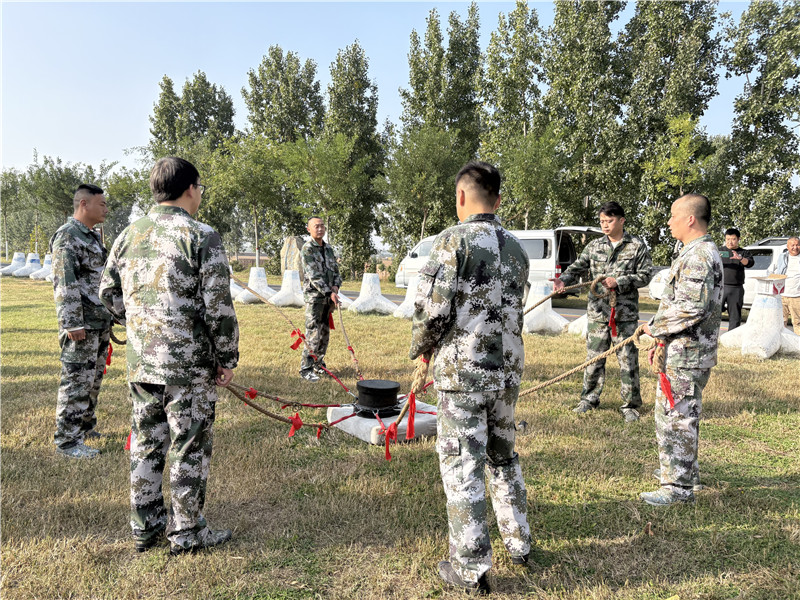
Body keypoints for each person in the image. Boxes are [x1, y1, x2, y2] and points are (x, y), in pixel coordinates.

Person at [99, 157, 239, 555]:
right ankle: (186, 532)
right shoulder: (201, 235)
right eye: (200, 189)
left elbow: (107, 292)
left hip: (142, 363)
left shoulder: (129, 234)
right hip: (188, 366)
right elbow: (218, 307)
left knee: (146, 441)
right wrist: (227, 357)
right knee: (188, 444)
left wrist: (143, 325)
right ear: (190, 189)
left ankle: (146, 528)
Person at [410, 161, 531, 595]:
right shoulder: (518, 248)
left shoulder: (450, 242)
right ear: (497, 200)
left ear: (461, 196)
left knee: (463, 464)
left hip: (464, 374)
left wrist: (420, 350)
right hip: (507, 372)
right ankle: (519, 542)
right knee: (503, 456)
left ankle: (470, 565)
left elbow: (432, 312)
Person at [641, 193, 723, 506]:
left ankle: (677, 487)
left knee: (676, 416)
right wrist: (662, 338)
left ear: (690, 219)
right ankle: (683, 470)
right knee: (682, 414)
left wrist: (655, 328)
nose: (669, 221)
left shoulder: (699, 256)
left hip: (688, 354)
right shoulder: (694, 252)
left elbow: (691, 307)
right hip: (684, 350)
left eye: (674, 216)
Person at [552, 202, 653, 422]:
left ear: (622, 220)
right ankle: (588, 400)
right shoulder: (594, 246)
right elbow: (577, 267)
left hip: (624, 315)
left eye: (609, 221)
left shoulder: (636, 246)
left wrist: (620, 281)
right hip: (598, 312)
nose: (605, 225)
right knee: (594, 358)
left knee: (627, 359)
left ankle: (631, 405)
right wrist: (562, 280)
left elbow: (646, 275)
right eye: (602, 221)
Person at [50, 184, 113, 459]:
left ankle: (85, 427)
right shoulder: (68, 236)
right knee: (77, 381)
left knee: (93, 379)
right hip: (82, 325)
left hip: (99, 321)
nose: (106, 208)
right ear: (84, 204)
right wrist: (72, 322)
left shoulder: (92, 236)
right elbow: (65, 282)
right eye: (102, 204)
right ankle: (67, 441)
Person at [299, 216, 342, 382]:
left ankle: (319, 364)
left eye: (322, 226)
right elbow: (314, 275)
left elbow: (336, 271)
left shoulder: (329, 249)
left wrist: (336, 287)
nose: (320, 229)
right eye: (316, 226)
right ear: (309, 229)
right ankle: (306, 368)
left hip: (329, 298)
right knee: (313, 332)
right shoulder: (308, 249)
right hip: (315, 297)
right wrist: (328, 291)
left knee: (324, 333)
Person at [718, 228, 754, 330]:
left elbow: (750, 263)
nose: (730, 241)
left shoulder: (743, 252)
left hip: (736, 288)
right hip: (720, 287)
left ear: (738, 239)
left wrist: (740, 258)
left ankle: (731, 340)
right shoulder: (719, 251)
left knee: (735, 316)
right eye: (728, 239)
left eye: (733, 239)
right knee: (714, 314)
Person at [767, 236, 800, 334]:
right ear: (787, 246)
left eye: (797, 245)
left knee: (797, 322)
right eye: (792, 245)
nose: (795, 247)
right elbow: (771, 270)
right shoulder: (783, 257)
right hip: (782, 295)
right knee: (781, 322)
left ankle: (798, 346)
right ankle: (781, 344)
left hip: (797, 296)